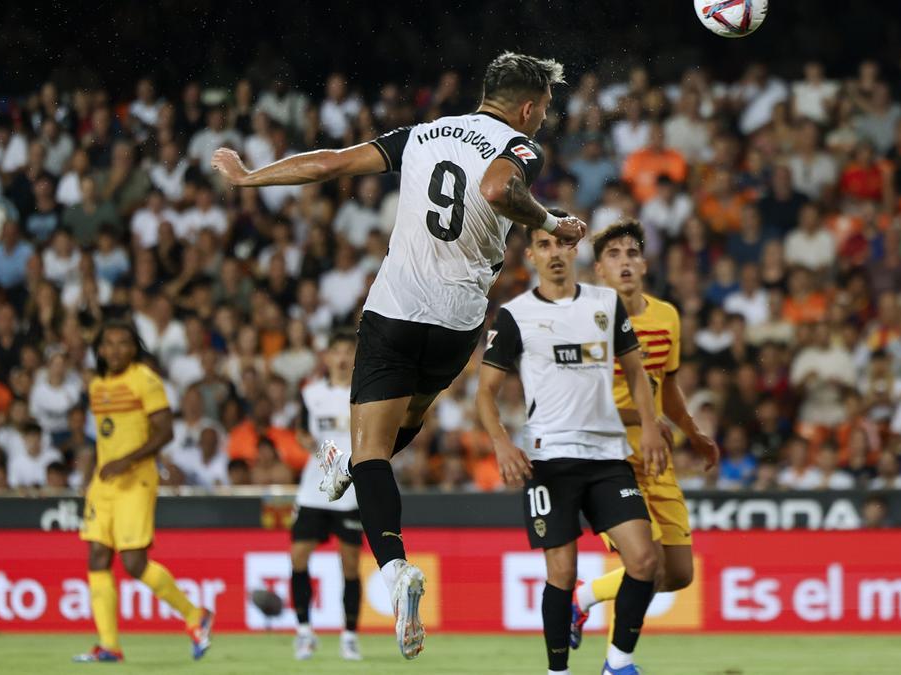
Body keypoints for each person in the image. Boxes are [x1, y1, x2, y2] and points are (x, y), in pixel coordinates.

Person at [212, 52, 586, 660]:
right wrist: (552, 219)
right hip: (458, 323)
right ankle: (344, 462)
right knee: (395, 432)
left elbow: (330, 164)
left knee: (372, 452)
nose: (544, 118)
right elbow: (497, 187)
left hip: (395, 311)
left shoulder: (421, 134)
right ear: (527, 106)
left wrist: (252, 177)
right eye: (544, 107)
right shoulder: (519, 145)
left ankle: (394, 570)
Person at [476, 222, 666, 675]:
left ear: (576, 248)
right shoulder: (515, 315)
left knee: (644, 560)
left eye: (563, 242)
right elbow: (485, 392)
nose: (555, 252)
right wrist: (502, 444)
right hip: (549, 460)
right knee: (560, 574)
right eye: (544, 244)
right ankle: (557, 672)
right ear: (531, 256)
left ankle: (618, 664)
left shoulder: (605, 303)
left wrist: (653, 425)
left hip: (607, 457)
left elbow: (636, 372)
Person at [570, 220, 719, 651]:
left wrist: (693, 430)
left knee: (678, 573)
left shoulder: (666, 316)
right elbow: (578, 403)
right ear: (598, 269)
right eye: (613, 255)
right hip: (606, 458)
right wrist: (646, 421)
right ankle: (618, 662)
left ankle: (581, 597)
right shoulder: (586, 322)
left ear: (646, 264)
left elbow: (666, 384)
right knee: (646, 562)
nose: (625, 262)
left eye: (632, 253)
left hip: (656, 456)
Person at [74, 322, 213, 662]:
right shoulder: (97, 386)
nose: (117, 350)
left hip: (135, 480)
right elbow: (109, 436)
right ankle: (109, 645)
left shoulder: (145, 380)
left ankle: (195, 615)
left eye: (124, 343)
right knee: (97, 557)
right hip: (103, 483)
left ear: (134, 349)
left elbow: (165, 431)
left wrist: (126, 461)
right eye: (110, 344)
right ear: (101, 350)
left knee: (134, 563)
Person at [289, 332, 364, 661]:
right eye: (337, 352)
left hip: (350, 490)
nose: (343, 358)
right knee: (298, 556)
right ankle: (305, 632)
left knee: (349, 563)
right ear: (328, 357)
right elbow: (302, 431)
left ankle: (349, 636)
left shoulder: (364, 393)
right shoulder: (310, 394)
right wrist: (305, 441)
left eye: (349, 351)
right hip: (314, 488)